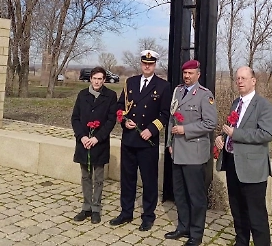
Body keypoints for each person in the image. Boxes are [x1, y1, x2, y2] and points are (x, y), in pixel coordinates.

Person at [110, 50, 172, 231]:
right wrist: (123, 120)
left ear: (155, 65)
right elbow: (120, 106)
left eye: (150, 64)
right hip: (129, 139)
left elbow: (165, 115)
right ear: (141, 63)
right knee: (127, 179)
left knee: (149, 180)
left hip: (147, 142)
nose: (147, 66)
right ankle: (126, 212)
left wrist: (151, 130)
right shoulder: (130, 82)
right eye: (144, 63)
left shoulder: (163, 86)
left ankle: (148, 215)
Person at [214, 66, 272, 246]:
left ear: (253, 81)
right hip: (233, 164)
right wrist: (222, 138)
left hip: (253, 169)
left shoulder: (263, 105)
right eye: (237, 79)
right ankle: (241, 241)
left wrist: (235, 134)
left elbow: (266, 134)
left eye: (243, 78)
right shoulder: (235, 103)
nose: (239, 81)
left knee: (256, 213)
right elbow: (229, 130)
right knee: (237, 209)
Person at [164, 59, 217, 246]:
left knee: (195, 196)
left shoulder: (204, 95)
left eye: (191, 73)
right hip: (177, 150)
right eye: (185, 73)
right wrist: (169, 142)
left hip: (194, 152)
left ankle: (196, 234)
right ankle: (183, 227)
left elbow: (210, 123)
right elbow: (172, 118)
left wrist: (186, 130)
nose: (187, 76)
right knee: (179, 193)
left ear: (198, 74)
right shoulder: (177, 90)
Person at [70, 66, 118, 224]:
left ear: (104, 80)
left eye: (100, 79)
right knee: (85, 176)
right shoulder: (82, 94)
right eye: (94, 78)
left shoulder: (110, 96)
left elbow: (111, 121)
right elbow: (75, 118)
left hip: (99, 142)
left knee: (98, 177)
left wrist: (97, 138)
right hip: (83, 142)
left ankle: (96, 208)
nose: (97, 82)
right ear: (90, 79)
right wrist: (82, 136)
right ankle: (86, 206)